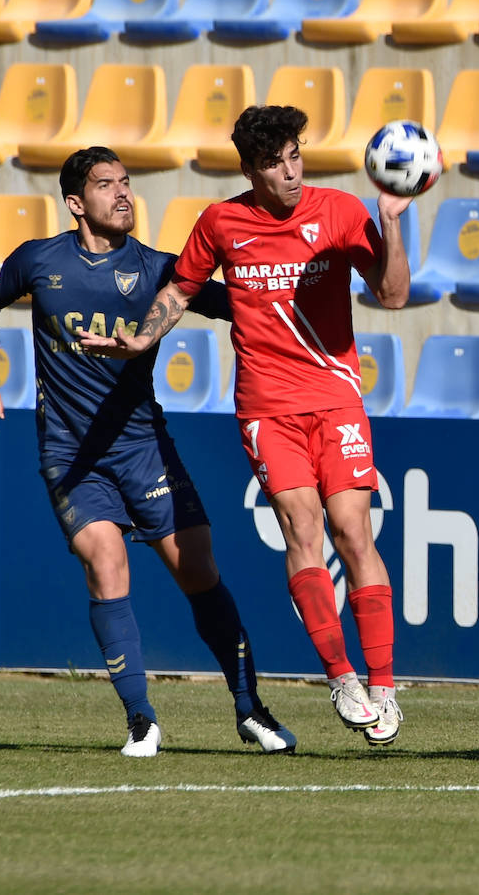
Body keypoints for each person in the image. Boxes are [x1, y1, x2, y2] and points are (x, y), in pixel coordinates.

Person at [78, 106, 413, 746]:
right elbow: (178, 293)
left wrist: (391, 228)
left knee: (353, 531)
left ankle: (385, 684)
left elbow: (393, 294)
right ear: (250, 170)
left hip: (338, 397)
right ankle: (340, 676)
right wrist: (137, 340)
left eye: (295, 156)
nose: (290, 172)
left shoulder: (340, 212)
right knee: (301, 526)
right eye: (275, 162)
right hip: (267, 408)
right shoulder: (222, 222)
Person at [0, 146, 296, 757]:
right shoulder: (40, 260)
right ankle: (141, 719)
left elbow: (235, 304)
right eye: (106, 184)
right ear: (75, 203)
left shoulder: (158, 270)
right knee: (105, 563)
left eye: (127, 182)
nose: (123, 194)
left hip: (144, 448)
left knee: (198, 570)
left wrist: (286, 295)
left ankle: (250, 709)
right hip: (70, 451)